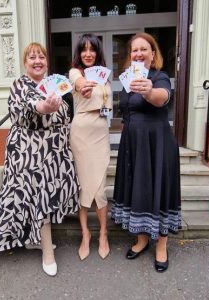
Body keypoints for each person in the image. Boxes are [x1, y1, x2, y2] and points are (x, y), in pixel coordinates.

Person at [0, 42, 80, 276]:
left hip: (52, 153)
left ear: (46, 62)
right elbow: (25, 106)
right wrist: (42, 107)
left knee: (41, 197)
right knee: (39, 197)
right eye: (32, 57)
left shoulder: (54, 86)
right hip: (28, 152)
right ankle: (47, 252)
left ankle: (33, 239)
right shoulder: (20, 85)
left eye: (41, 57)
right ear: (25, 63)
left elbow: (63, 116)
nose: (37, 61)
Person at [111, 33, 181, 272]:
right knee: (138, 190)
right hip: (133, 145)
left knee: (159, 190)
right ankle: (141, 239)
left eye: (144, 49)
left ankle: (161, 244)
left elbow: (162, 98)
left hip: (157, 145)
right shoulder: (128, 79)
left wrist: (149, 92)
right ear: (130, 56)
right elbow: (127, 111)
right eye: (134, 50)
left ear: (153, 54)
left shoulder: (159, 77)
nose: (138, 54)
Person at [69, 33, 112, 260]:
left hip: (101, 131)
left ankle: (103, 234)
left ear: (97, 52)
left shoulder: (105, 77)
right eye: (84, 49)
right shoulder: (75, 72)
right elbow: (80, 84)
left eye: (92, 49)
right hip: (82, 131)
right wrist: (84, 86)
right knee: (85, 187)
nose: (88, 53)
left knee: (100, 188)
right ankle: (85, 234)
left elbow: (108, 106)